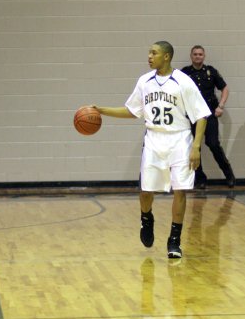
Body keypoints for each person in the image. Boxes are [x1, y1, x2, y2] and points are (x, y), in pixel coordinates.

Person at [91, 41, 210, 259]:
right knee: (146, 190)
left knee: (180, 190)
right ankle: (147, 218)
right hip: (154, 139)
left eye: (154, 53)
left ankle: (174, 240)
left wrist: (196, 147)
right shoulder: (144, 81)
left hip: (180, 139)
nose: (149, 56)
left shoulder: (183, 82)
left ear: (166, 57)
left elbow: (201, 115)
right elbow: (132, 111)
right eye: (149, 52)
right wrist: (102, 111)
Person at [181, 45, 235, 189]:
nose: (198, 56)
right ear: (191, 56)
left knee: (213, 144)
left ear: (204, 56)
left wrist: (221, 106)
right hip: (192, 116)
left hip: (209, 114)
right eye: (195, 54)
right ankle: (200, 179)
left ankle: (228, 174)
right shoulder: (184, 73)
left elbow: (225, 88)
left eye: (200, 54)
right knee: (194, 147)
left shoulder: (211, 71)